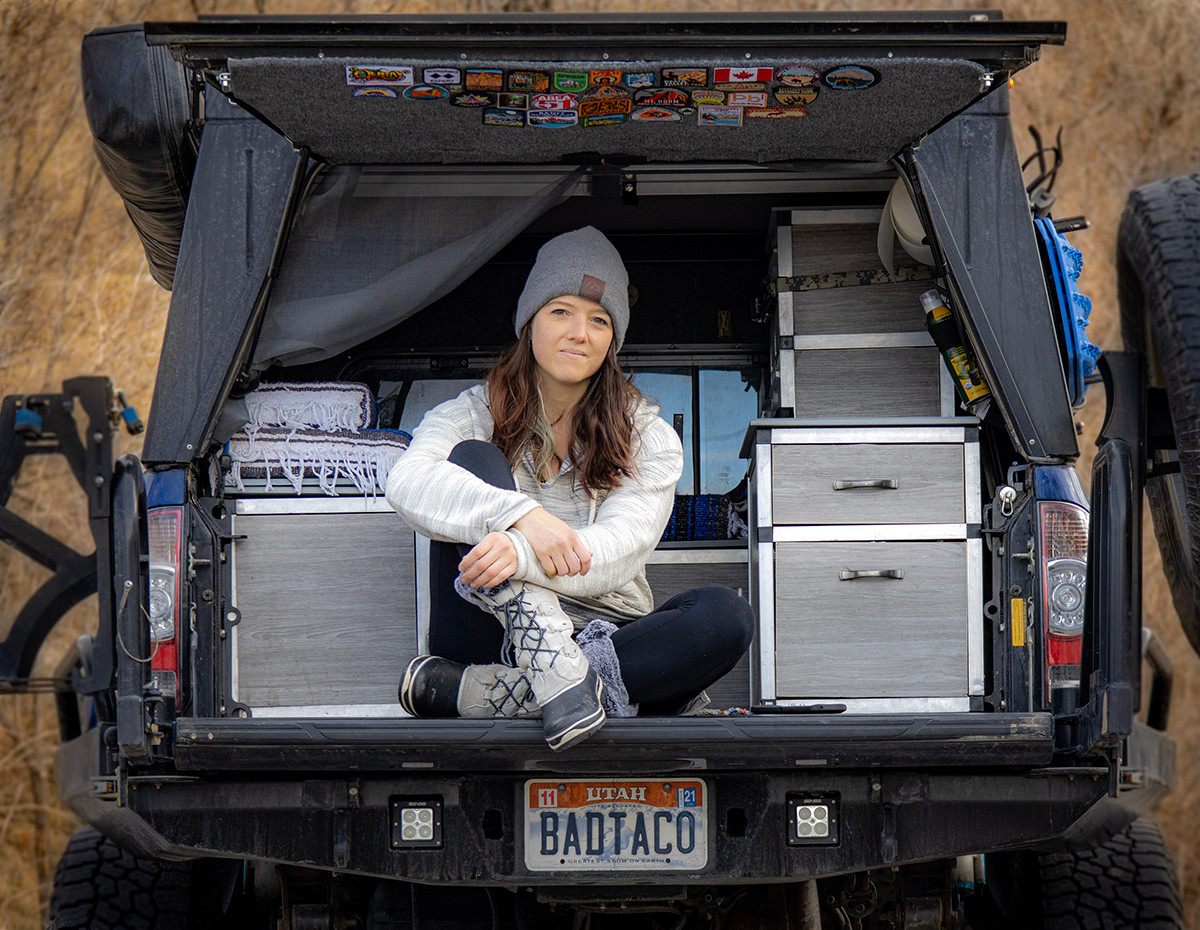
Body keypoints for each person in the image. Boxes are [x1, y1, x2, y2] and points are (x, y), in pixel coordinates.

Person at [385, 226, 754, 751]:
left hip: (610, 630)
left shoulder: (648, 435)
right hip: (490, 631)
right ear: (529, 322)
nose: (580, 333)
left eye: (599, 321)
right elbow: (407, 480)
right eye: (561, 311)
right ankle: (580, 681)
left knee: (726, 617)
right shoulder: (473, 411)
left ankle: (486, 694)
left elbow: (620, 550)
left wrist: (517, 551)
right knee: (470, 459)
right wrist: (522, 517)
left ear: (612, 341)